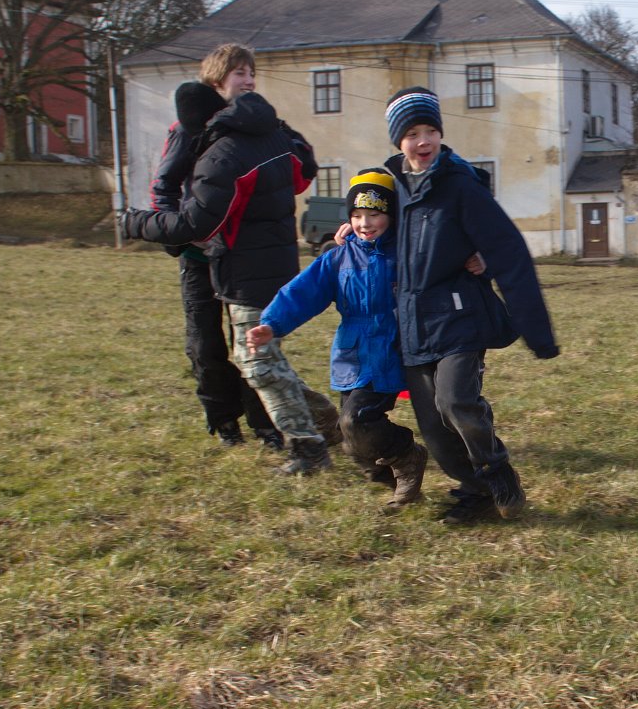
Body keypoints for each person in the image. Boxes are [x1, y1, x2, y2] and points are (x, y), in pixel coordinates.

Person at [122, 82, 340, 477]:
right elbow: (303, 171)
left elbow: (195, 223)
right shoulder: (270, 134)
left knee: (257, 364)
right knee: (261, 357)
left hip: (246, 270)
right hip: (276, 262)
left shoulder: (221, 155)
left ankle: (310, 448)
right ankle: (326, 422)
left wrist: (137, 223)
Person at [381, 87, 559, 525]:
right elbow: (371, 222)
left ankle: (498, 470)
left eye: (431, 131)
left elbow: (508, 250)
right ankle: (477, 493)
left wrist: (537, 332)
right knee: (436, 431)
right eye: (413, 133)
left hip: (460, 316)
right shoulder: (393, 188)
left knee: (457, 400)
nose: (423, 141)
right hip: (412, 323)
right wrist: (349, 228)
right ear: (397, 140)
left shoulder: (461, 188)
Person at [244, 170, 432, 510]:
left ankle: (408, 455)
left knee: (356, 421)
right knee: (353, 440)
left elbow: (438, 256)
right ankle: (397, 482)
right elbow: (303, 292)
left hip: (393, 351)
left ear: (392, 214)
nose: (365, 223)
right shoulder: (339, 257)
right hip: (354, 354)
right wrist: (270, 324)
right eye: (357, 215)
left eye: (374, 214)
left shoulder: (407, 252)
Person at [148, 44, 280, 450]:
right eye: (240, 73)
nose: (249, 80)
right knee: (206, 344)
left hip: (241, 253)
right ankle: (224, 423)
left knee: (253, 341)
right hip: (197, 255)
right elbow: (162, 188)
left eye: (251, 73)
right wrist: (184, 234)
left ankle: (266, 426)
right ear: (217, 79)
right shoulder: (187, 129)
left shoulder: (252, 127)